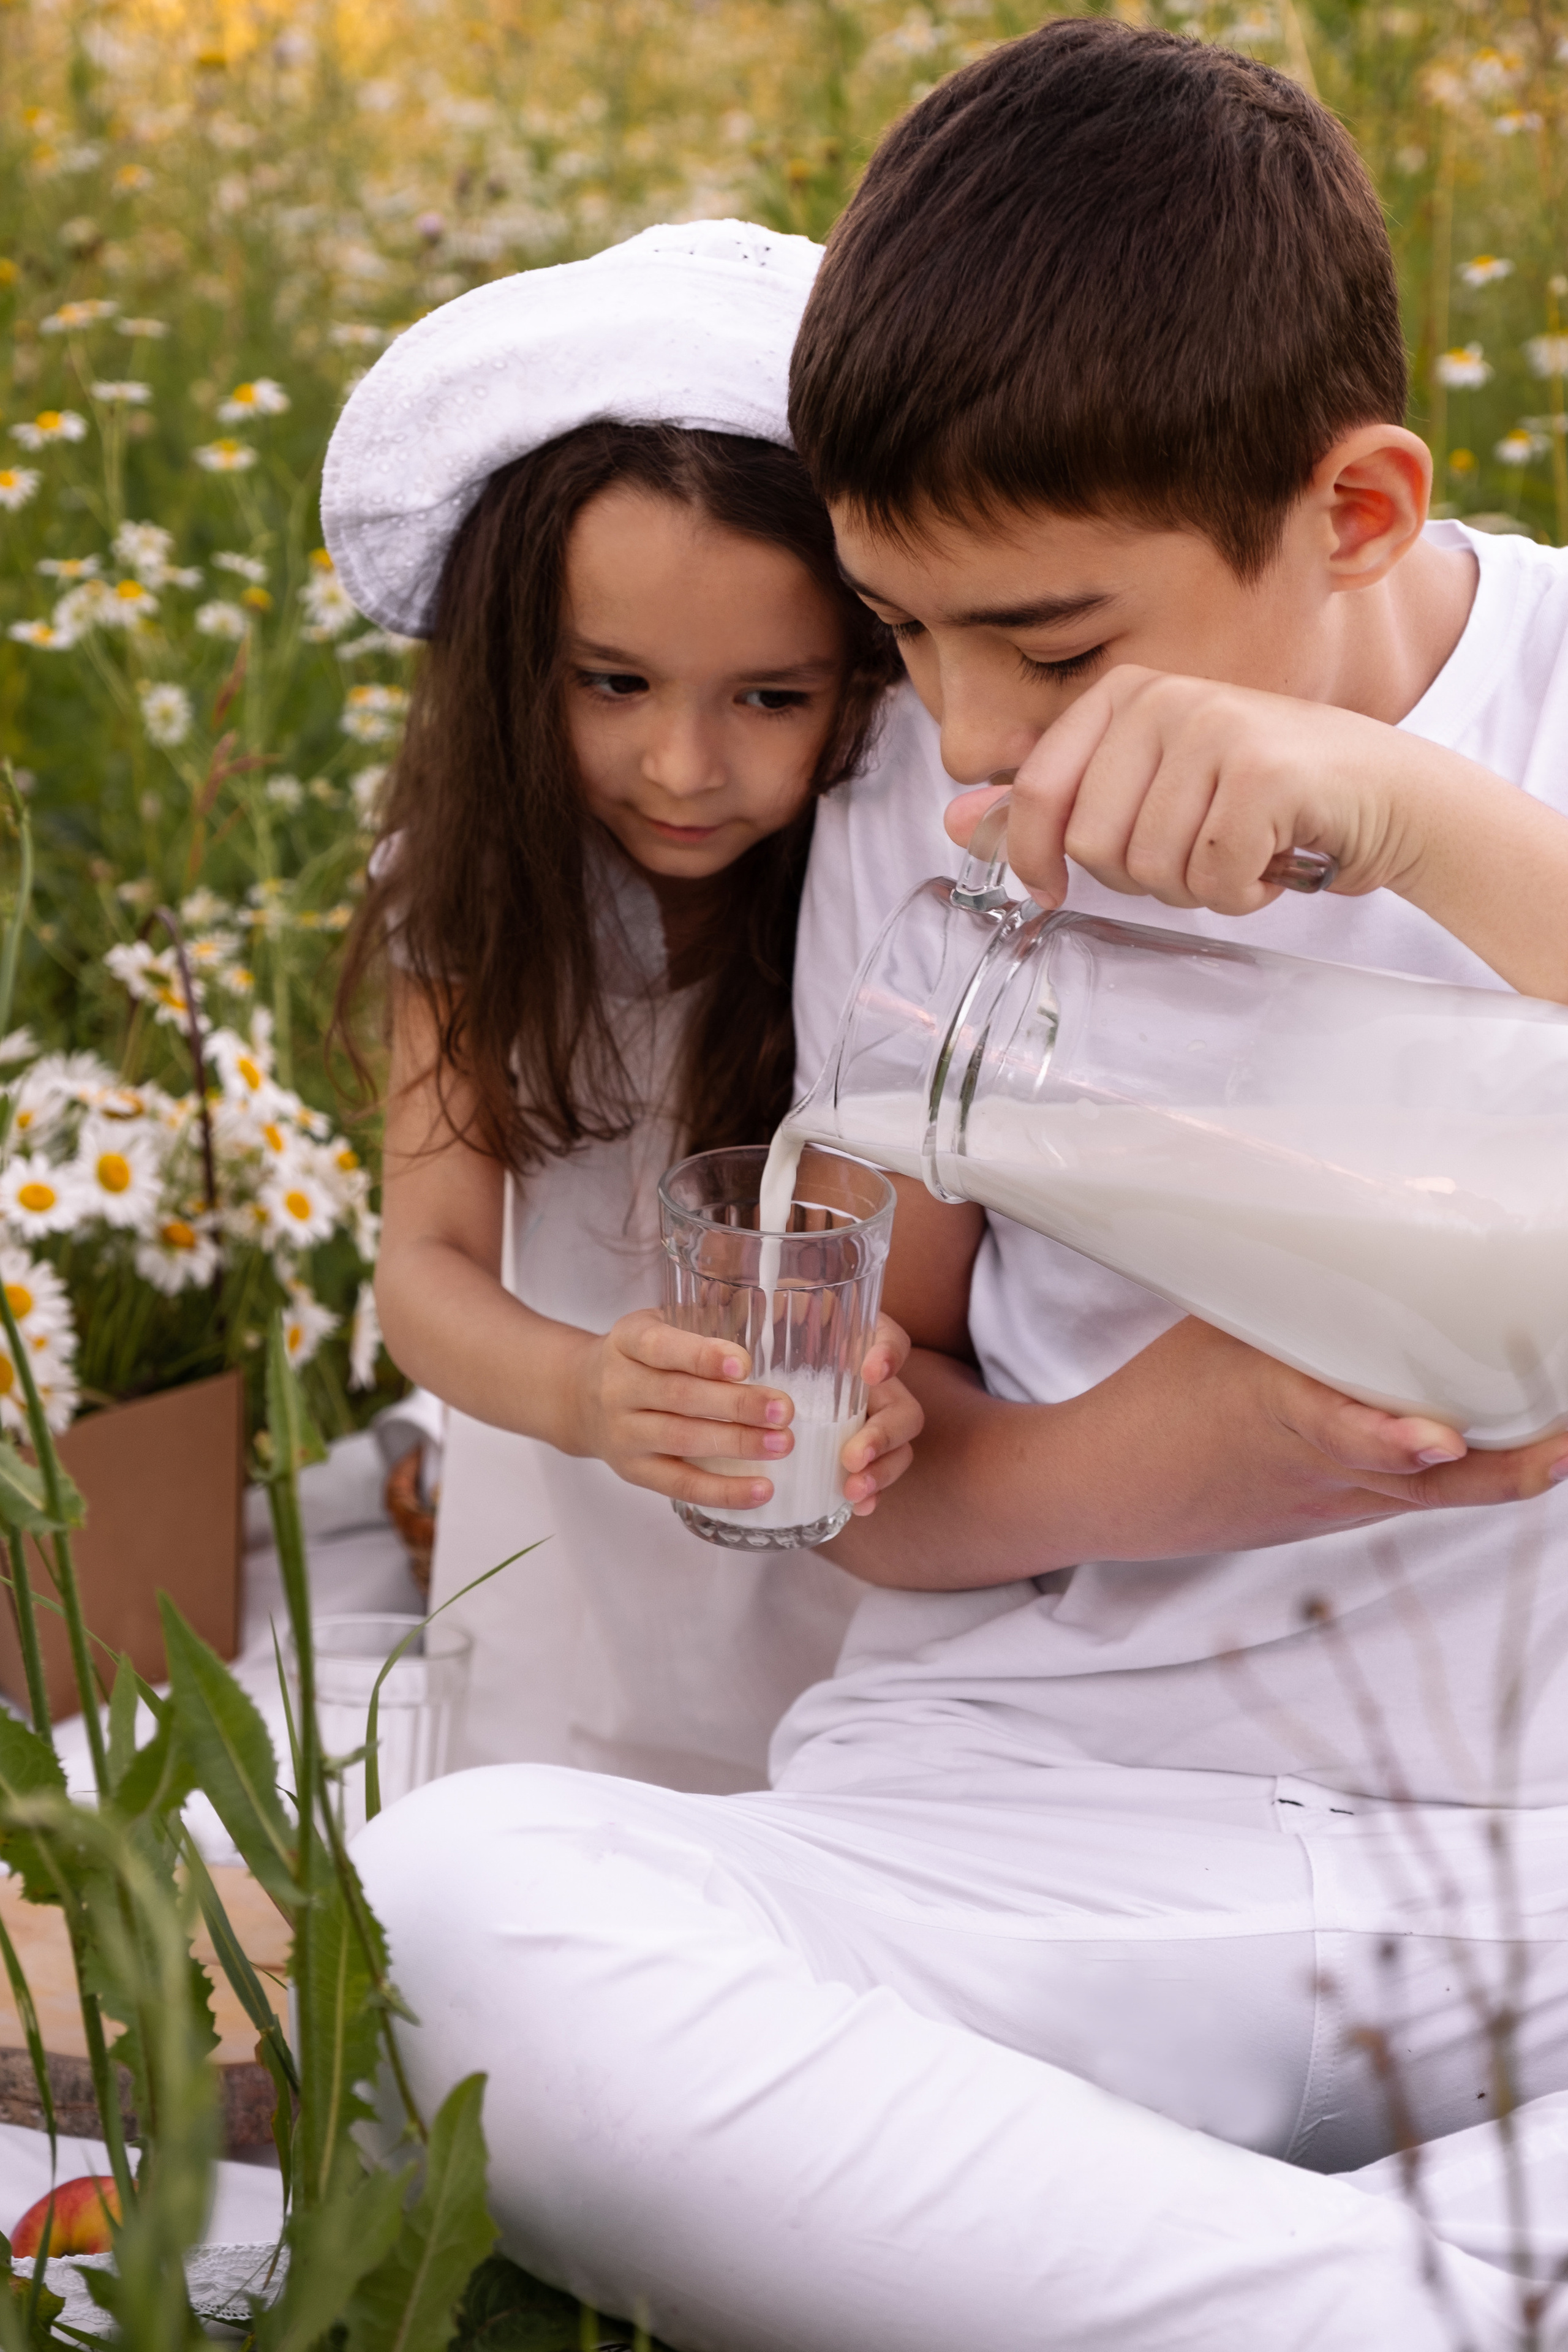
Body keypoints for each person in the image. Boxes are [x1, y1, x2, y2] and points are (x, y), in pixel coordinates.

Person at [355, 29, 1568, 2351]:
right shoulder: (916, 808)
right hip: (1034, 1833)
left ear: (1363, 513)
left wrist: (1407, 817)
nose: (972, 734)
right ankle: (1389, 2303)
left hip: (1530, 1846)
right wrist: (1188, 1461)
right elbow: (865, 1472)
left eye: (1052, 642)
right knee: (456, 1905)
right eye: (904, 636)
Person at [326, 222, 916, 1792]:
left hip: (851, 1567)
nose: (682, 767)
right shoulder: (479, 889)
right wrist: (582, 1392)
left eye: (770, 698)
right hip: (569, 1538)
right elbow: (428, 1265)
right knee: (549, 1864)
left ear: (872, 674)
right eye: (613, 683)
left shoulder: (894, 907)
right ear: (523, 660)